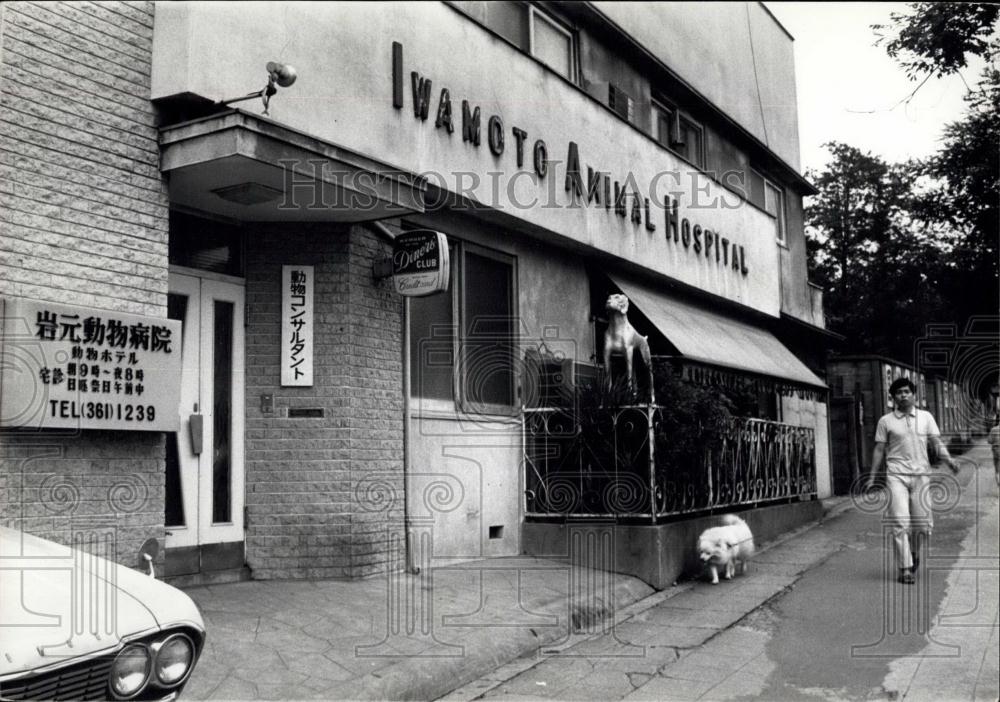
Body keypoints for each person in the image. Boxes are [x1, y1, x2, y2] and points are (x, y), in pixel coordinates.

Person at [865, 377, 958, 585]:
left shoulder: (925, 417)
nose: (903, 395)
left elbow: (936, 442)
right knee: (900, 522)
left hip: (921, 476)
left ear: (914, 394)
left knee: (923, 525)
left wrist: (949, 460)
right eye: (899, 392)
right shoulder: (885, 421)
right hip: (896, 476)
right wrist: (872, 477)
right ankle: (905, 568)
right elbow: (879, 449)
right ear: (893, 398)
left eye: (907, 391)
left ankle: (914, 552)